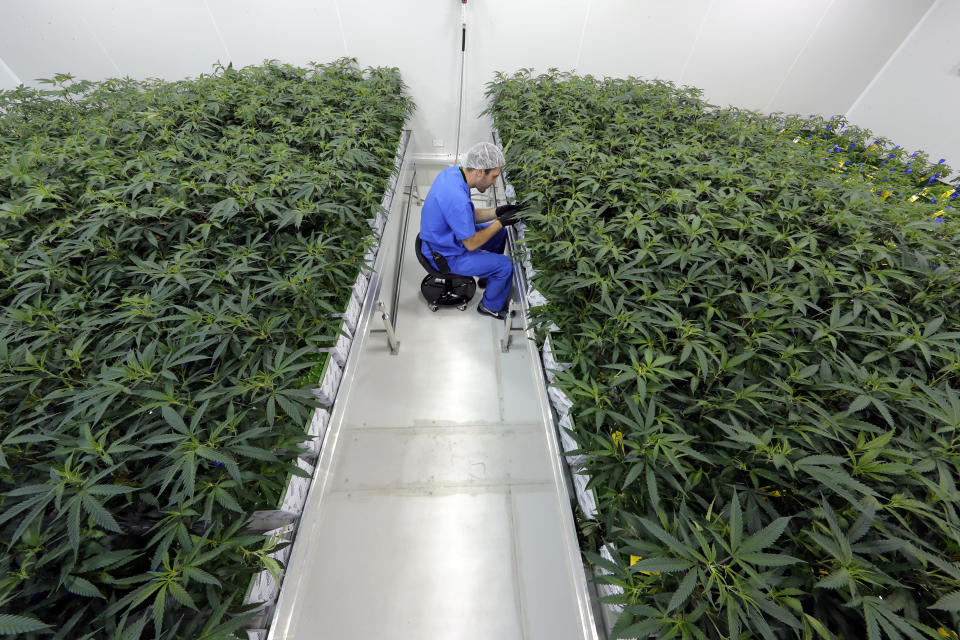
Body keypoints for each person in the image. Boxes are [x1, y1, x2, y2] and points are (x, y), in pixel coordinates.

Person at [419, 142, 524, 320]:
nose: (494, 182)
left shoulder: (453, 175)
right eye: (494, 176)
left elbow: (466, 216)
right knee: (505, 265)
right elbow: (471, 243)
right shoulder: (457, 198)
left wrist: (497, 212)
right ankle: (490, 306)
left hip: (440, 239)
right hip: (444, 255)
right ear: (480, 171)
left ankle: (488, 277)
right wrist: (500, 222)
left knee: (499, 234)